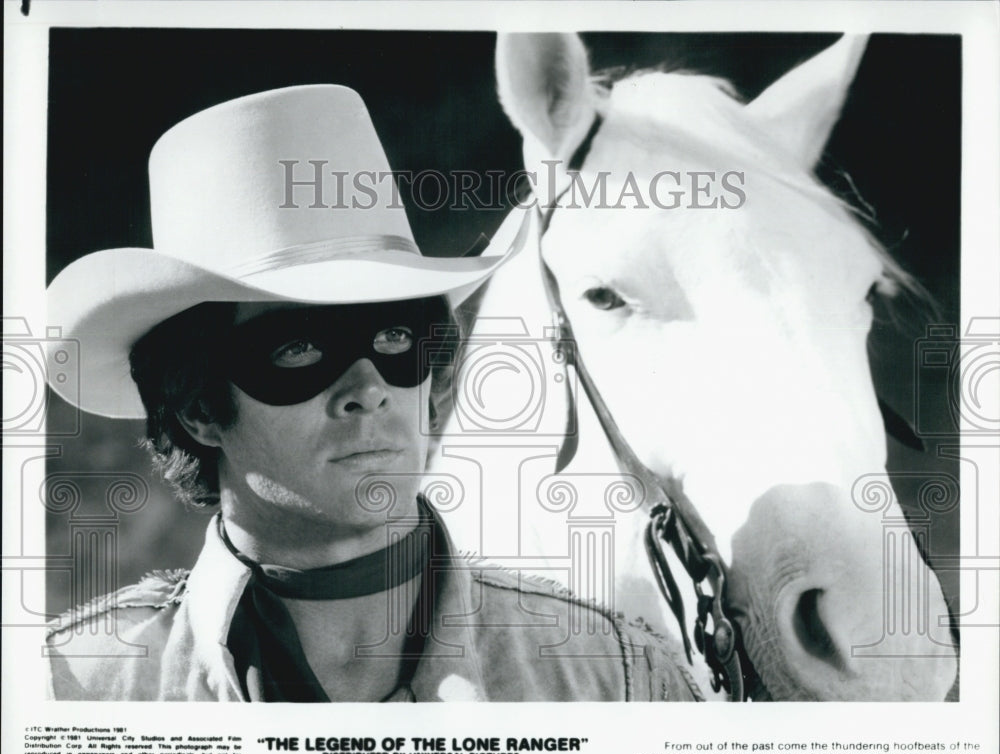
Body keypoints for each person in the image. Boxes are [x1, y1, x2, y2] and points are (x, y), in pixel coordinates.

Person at [43, 85, 698, 702]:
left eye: (393, 337)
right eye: (298, 349)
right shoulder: (74, 688)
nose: (369, 389)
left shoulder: (612, 680)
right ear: (197, 408)